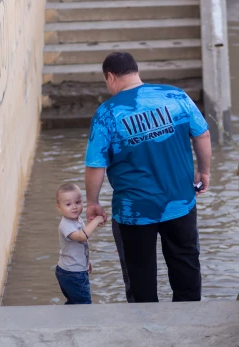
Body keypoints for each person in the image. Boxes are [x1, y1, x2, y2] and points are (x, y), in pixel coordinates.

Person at [84, 52, 212, 303]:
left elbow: (96, 164)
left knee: (139, 273)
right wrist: (204, 171)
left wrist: (92, 202)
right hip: (180, 202)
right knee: (185, 264)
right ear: (135, 71)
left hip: (134, 212)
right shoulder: (175, 96)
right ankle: (190, 326)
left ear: (110, 77)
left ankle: (146, 329)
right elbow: (203, 135)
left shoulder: (107, 113)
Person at [54, 183, 105, 305]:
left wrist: (86, 262)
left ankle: (65, 321)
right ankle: (83, 324)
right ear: (59, 207)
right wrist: (97, 220)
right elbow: (81, 237)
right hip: (72, 274)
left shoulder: (76, 219)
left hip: (75, 269)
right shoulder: (66, 224)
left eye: (78, 202)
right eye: (68, 204)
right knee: (84, 304)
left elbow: (79, 247)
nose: (74, 207)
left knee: (74, 303)